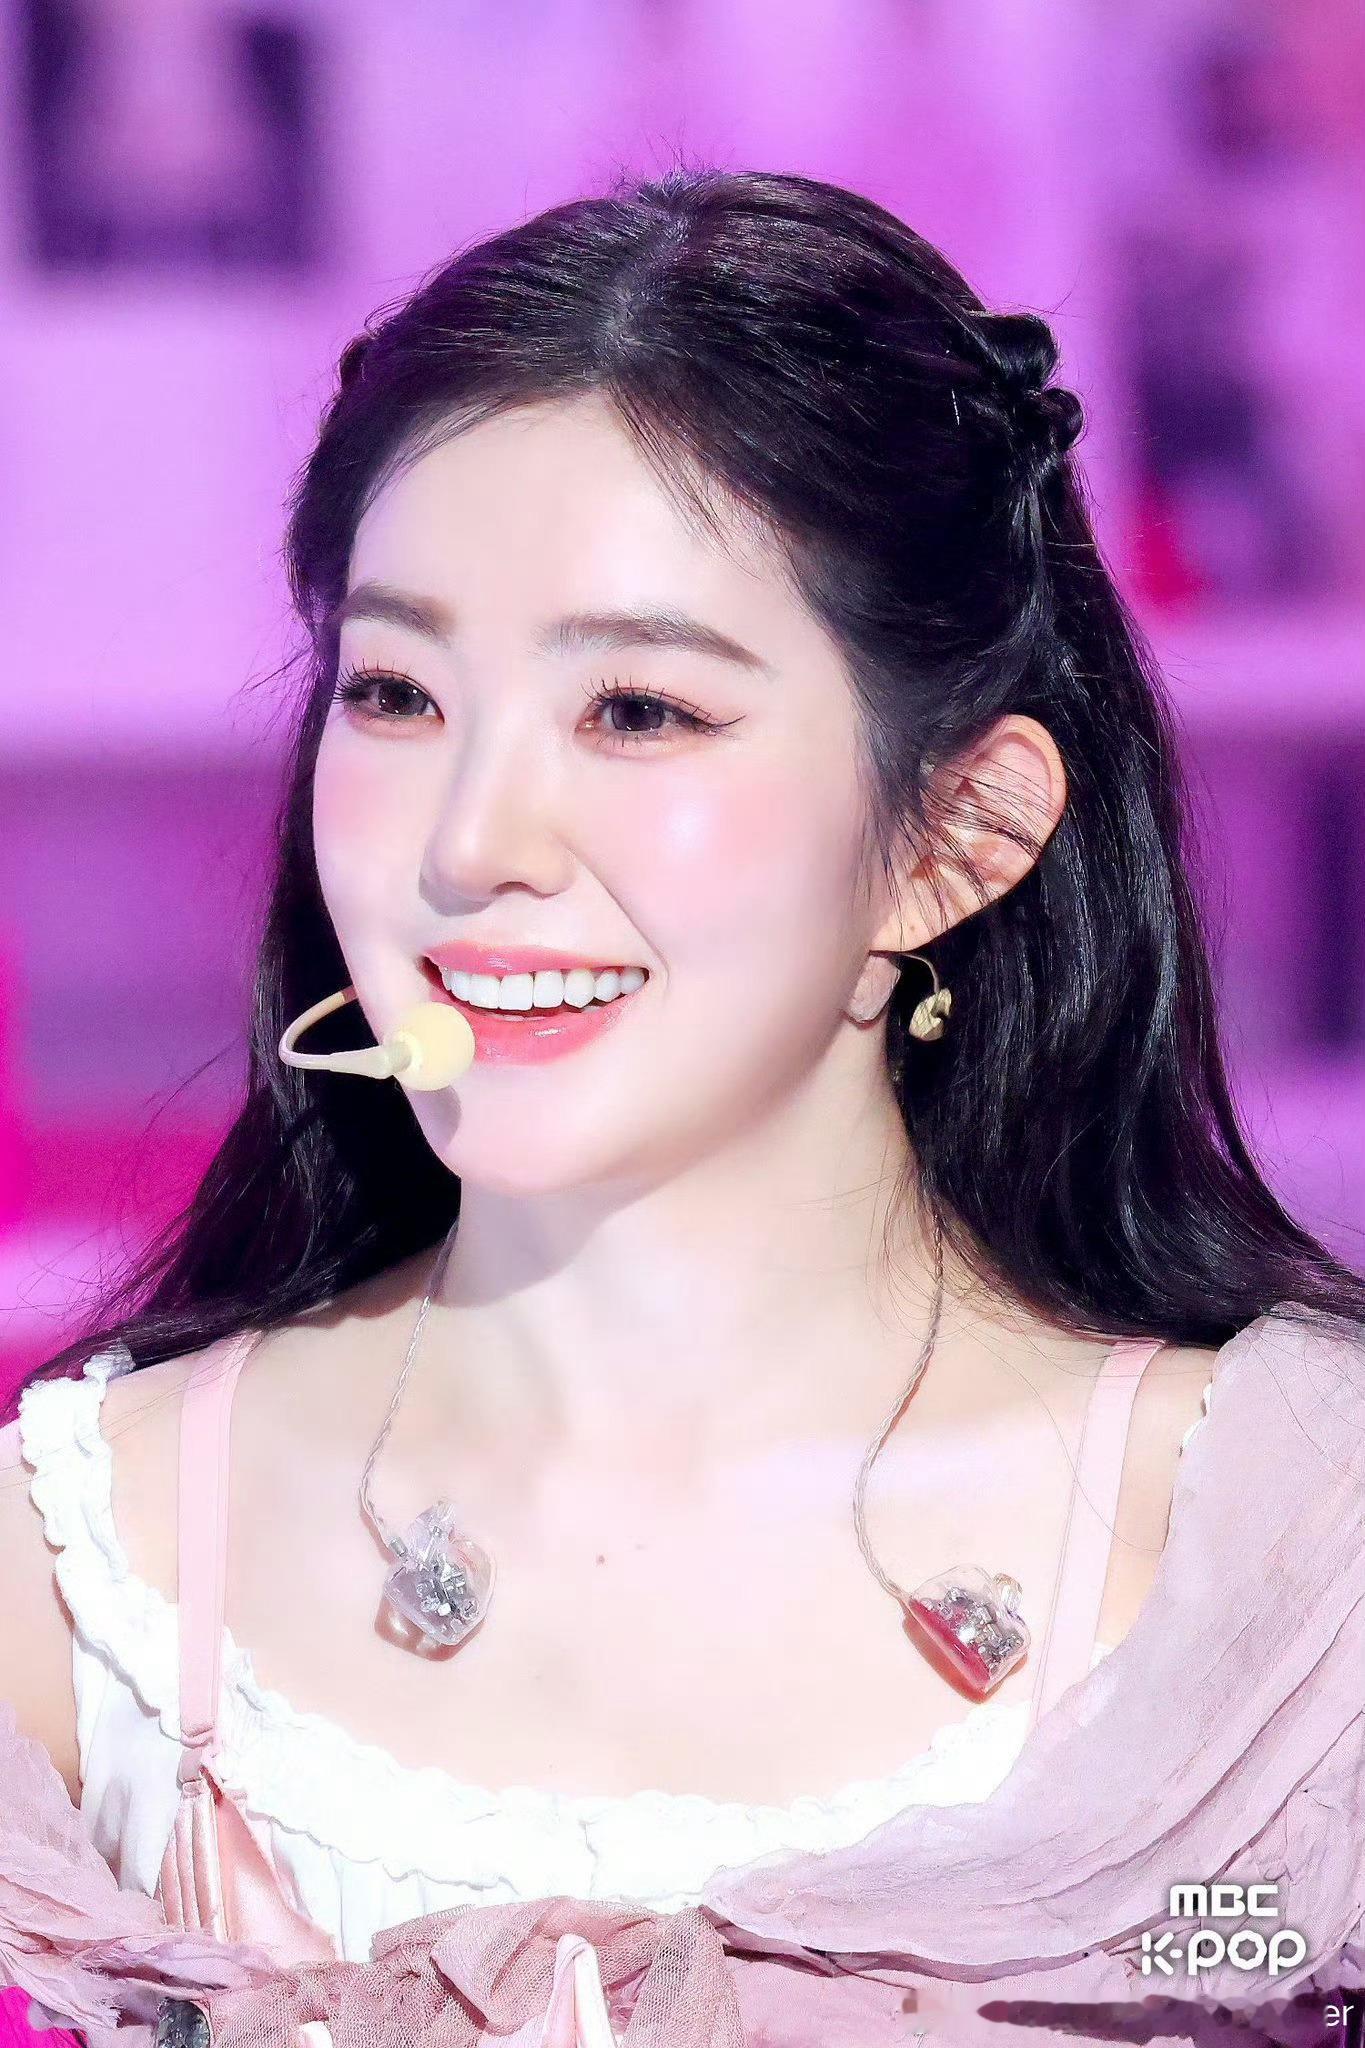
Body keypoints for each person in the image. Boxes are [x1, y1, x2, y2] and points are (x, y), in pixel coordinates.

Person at [2, 165, 1363, 2036]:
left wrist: (1182, 1966)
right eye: (393, 693)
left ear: (959, 833)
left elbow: (1255, 1949)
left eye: (637, 712)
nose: (468, 844)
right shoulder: (92, 1561)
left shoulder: (1287, 1551)